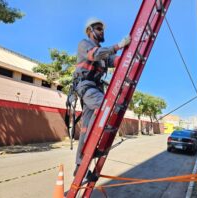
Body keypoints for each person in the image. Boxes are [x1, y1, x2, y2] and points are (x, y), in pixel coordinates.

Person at [72, 17, 131, 176]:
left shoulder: (104, 53)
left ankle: (80, 165)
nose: (102, 31)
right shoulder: (84, 44)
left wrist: (129, 52)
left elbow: (115, 60)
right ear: (90, 31)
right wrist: (118, 45)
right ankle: (92, 146)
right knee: (105, 108)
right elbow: (95, 55)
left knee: (85, 128)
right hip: (85, 86)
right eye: (98, 28)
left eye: (102, 28)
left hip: (95, 88)